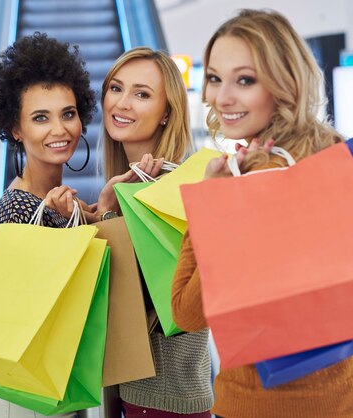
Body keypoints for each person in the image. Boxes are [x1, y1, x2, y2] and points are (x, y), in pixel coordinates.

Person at [171, 9, 353, 418]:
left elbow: (187, 311)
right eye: (215, 78)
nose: (222, 98)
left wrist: (209, 201)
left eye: (245, 80)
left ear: (282, 82)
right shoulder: (333, 154)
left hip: (261, 406)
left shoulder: (249, 182)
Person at [0, 32, 97, 418]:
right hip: (28, 397)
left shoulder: (60, 200)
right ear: (15, 129)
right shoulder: (17, 209)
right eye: (40, 118)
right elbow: (38, 313)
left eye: (67, 113)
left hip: (57, 387)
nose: (59, 129)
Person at [99, 47, 213, 418]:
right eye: (116, 88)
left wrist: (104, 213)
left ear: (167, 113)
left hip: (164, 397)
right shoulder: (130, 185)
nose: (122, 103)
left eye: (142, 94)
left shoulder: (172, 189)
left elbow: (139, 300)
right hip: (148, 395)